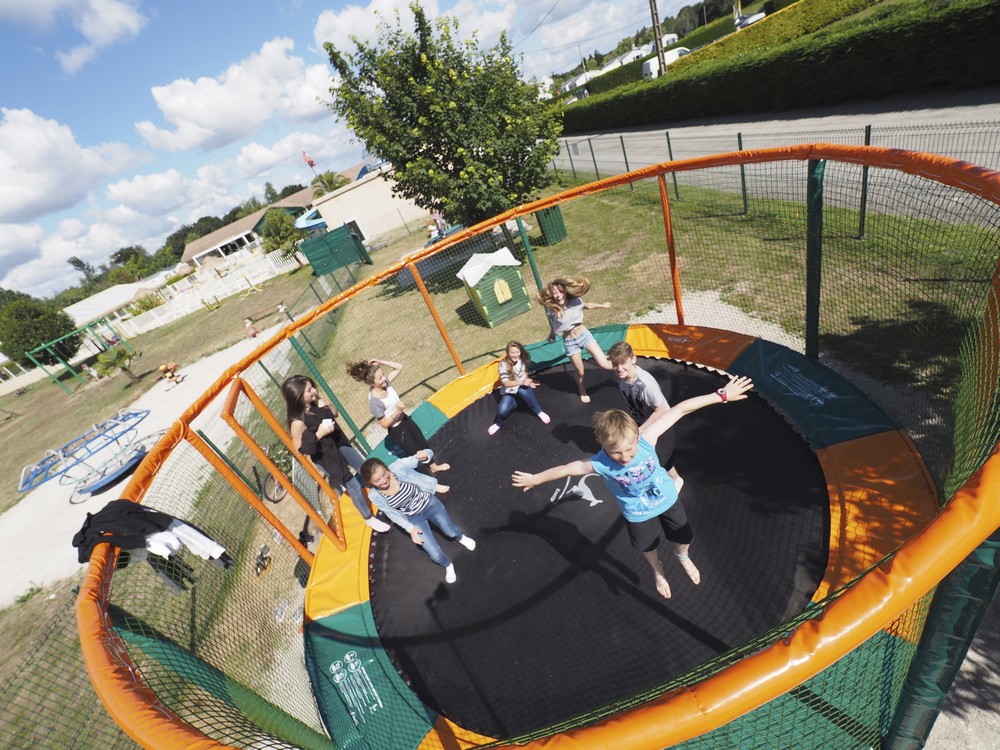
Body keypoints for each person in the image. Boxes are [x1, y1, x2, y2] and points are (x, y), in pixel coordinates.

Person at [512, 375, 754, 599]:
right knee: (647, 546)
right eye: (616, 452)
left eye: (629, 449)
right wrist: (536, 479)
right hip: (636, 512)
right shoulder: (599, 462)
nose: (625, 457)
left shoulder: (646, 438)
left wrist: (721, 395)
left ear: (636, 436)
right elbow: (566, 469)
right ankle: (658, 571)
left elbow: (680, 409)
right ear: (601, 443)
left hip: (667, 498)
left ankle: (682, 555)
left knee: (684, 536)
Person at [282, 375, 391, 533]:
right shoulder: (297, 422)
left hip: (339, 443)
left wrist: (327, 404)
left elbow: (335, 414)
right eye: (309, 390)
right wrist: (319, 434)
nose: (314, 390)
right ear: (298, 396)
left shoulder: (316, 401)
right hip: (327, 457)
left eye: (312, 386)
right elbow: (300, 451)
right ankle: (369, 518)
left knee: (364, 467)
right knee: (352, 484)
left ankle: (384, 491)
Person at [361, 453, 475, 584]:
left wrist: (424, 455)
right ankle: (448, 565)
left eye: (384, 474)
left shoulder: (397, 468)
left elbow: (422, 456)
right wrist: (410, 529)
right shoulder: (375, 496)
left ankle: (460, 537)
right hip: (414, 517)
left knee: (451, 532)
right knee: (434, 554)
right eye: (377, 480)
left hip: (429, 504)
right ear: (370, 483)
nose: (383, 480)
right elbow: (391, 514)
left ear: (386, 469)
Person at [346, 358, 449, 473]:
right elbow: (384, 424)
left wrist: (381, 362)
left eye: (383, 374)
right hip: (398, 430)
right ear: (372, 383)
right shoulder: (375, 402)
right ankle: (424, 477)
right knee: (416, 454)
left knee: (422, 443)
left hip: (406, 420)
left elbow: (399, 367)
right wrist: (397, 410)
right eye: (380, 378)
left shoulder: (385, 384)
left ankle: (433, 467)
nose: (384, 378)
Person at [608, 341, 683, 492]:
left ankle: (676, 479)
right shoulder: (621, 376)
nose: (619, 368)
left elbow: (660, 410)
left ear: (633, 359)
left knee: (663, 456)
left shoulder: (645, 385)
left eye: (623, 363)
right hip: (641, 419)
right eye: (615, 364)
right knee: (645, 452)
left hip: (661, 422)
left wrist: (642, 428)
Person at [538, 276, 613, 403]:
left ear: (565, 291)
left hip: (584, 335)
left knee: (605, 364)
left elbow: (588, 306)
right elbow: (555, 324)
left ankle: (625, 367)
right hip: (570, 342)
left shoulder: (575, 302)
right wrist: (552, 334)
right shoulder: (553, 310)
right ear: (551, 295)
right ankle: (581, 389)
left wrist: (603, 305)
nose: (558, 295)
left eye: (561, 291)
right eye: (555, 293)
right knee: (580, 371)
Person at [488, 341, 551, 436]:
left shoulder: (522, 360)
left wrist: (528, 381)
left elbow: (525, 372)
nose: (515, 355)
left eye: (517, 352)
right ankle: (498, 423)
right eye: (512, 352)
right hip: (509, 391)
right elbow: (505, 382)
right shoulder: (503, 364)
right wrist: (522, 382)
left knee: (523, 391)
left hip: (521, 387)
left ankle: (538, 411)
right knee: (502, 410)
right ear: (507, 353)